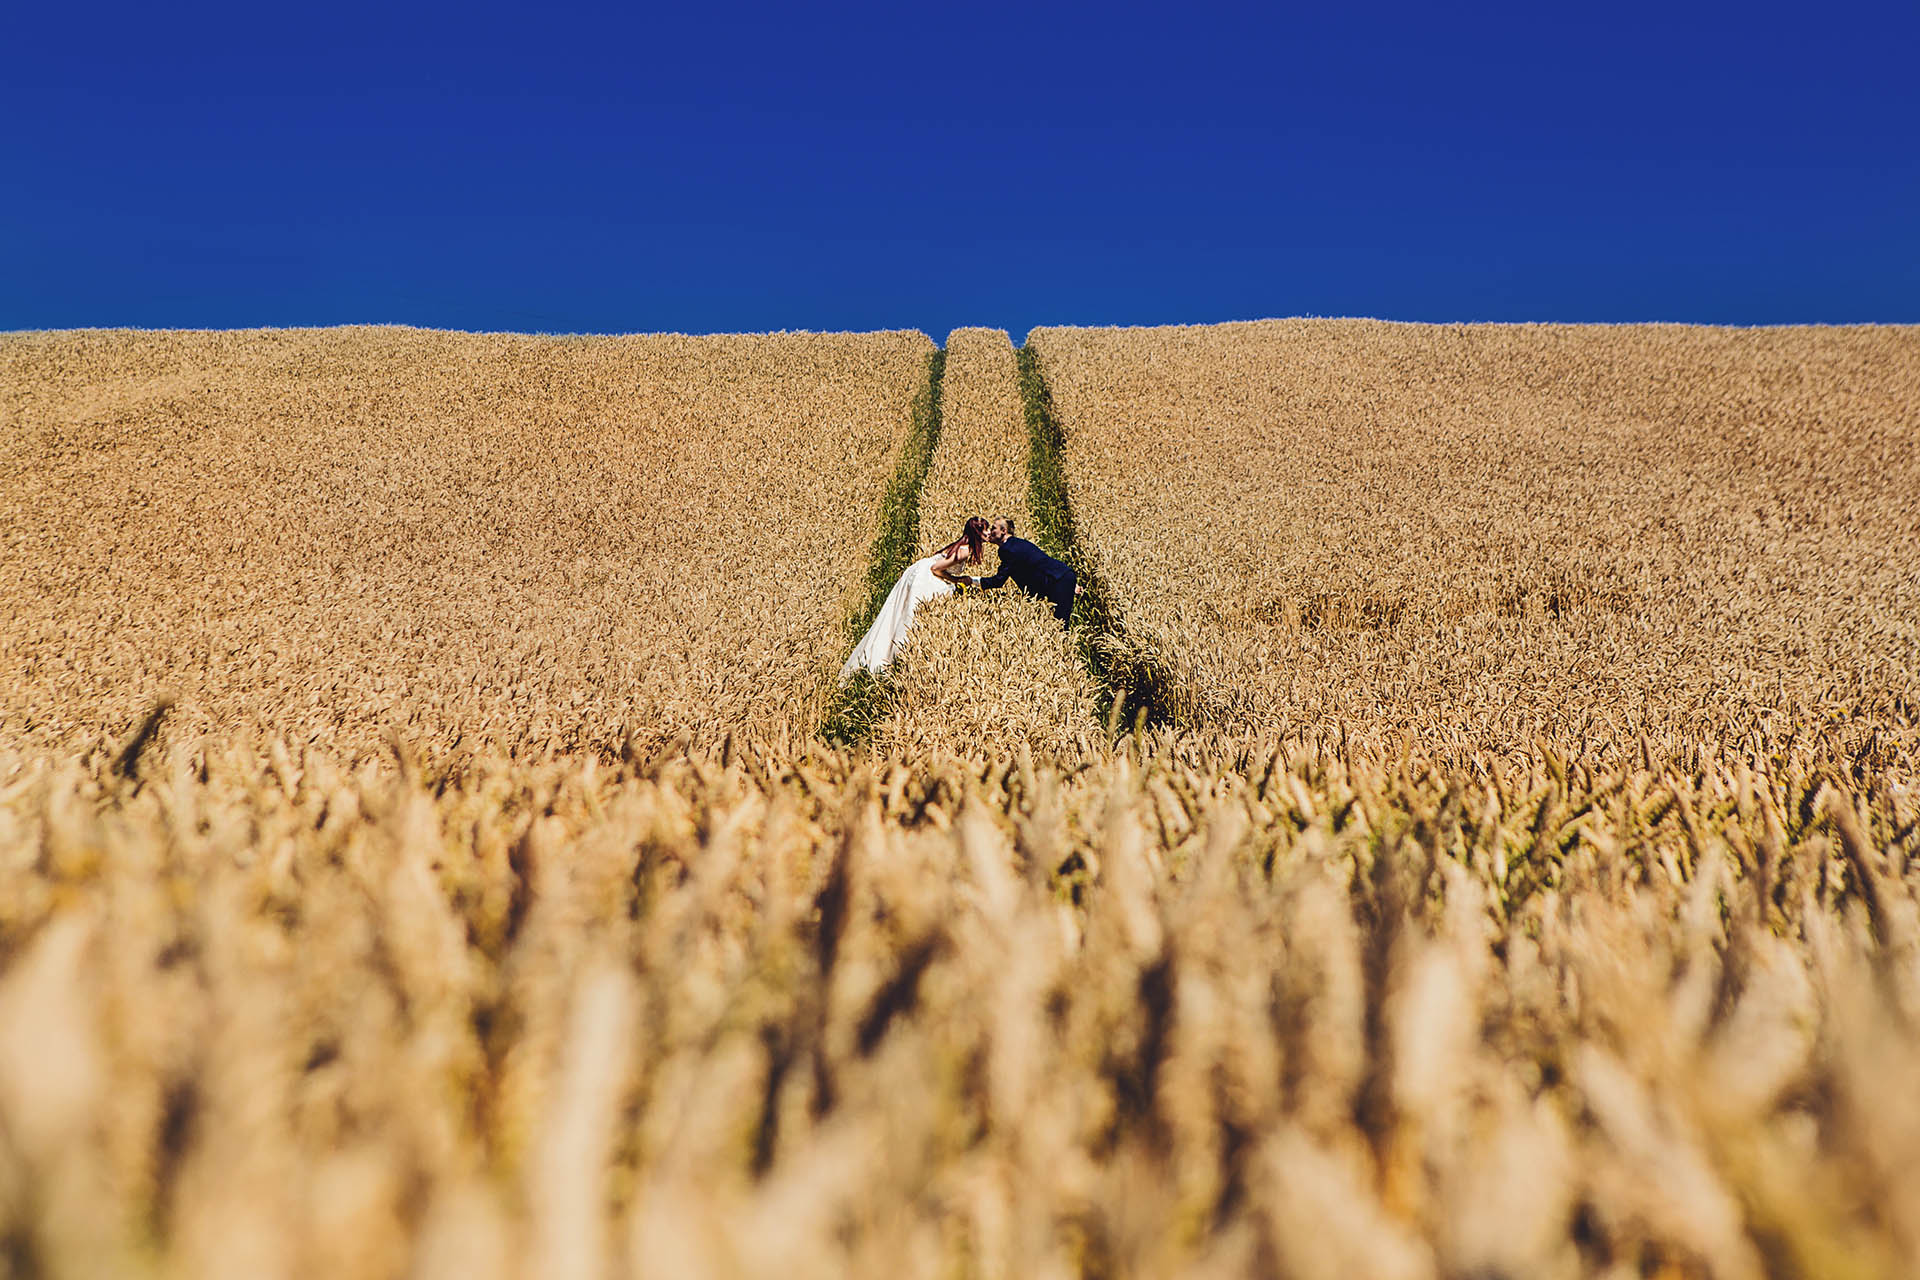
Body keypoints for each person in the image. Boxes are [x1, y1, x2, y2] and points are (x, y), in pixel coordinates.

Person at [839, 516, 987, 679]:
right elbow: (936, 568)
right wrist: (957, 580)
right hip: (923, 576)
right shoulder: (965, 550)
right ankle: (897, 659)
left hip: (920, 571)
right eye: (985, 530)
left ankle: (893, 658)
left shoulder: (963, 545)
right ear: (977, 532)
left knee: (901, 614)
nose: (988, 533)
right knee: (910, 617)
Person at [968, 516, 1079, 628]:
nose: (990, 532)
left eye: (993, 528)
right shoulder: (1017, 543)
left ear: (1003, 531)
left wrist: (971, 581)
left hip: (1059, 580)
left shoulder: (1007, 549)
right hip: (1060, 577)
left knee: (1060, 624)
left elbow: (999, 581)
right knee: (1056, 623)